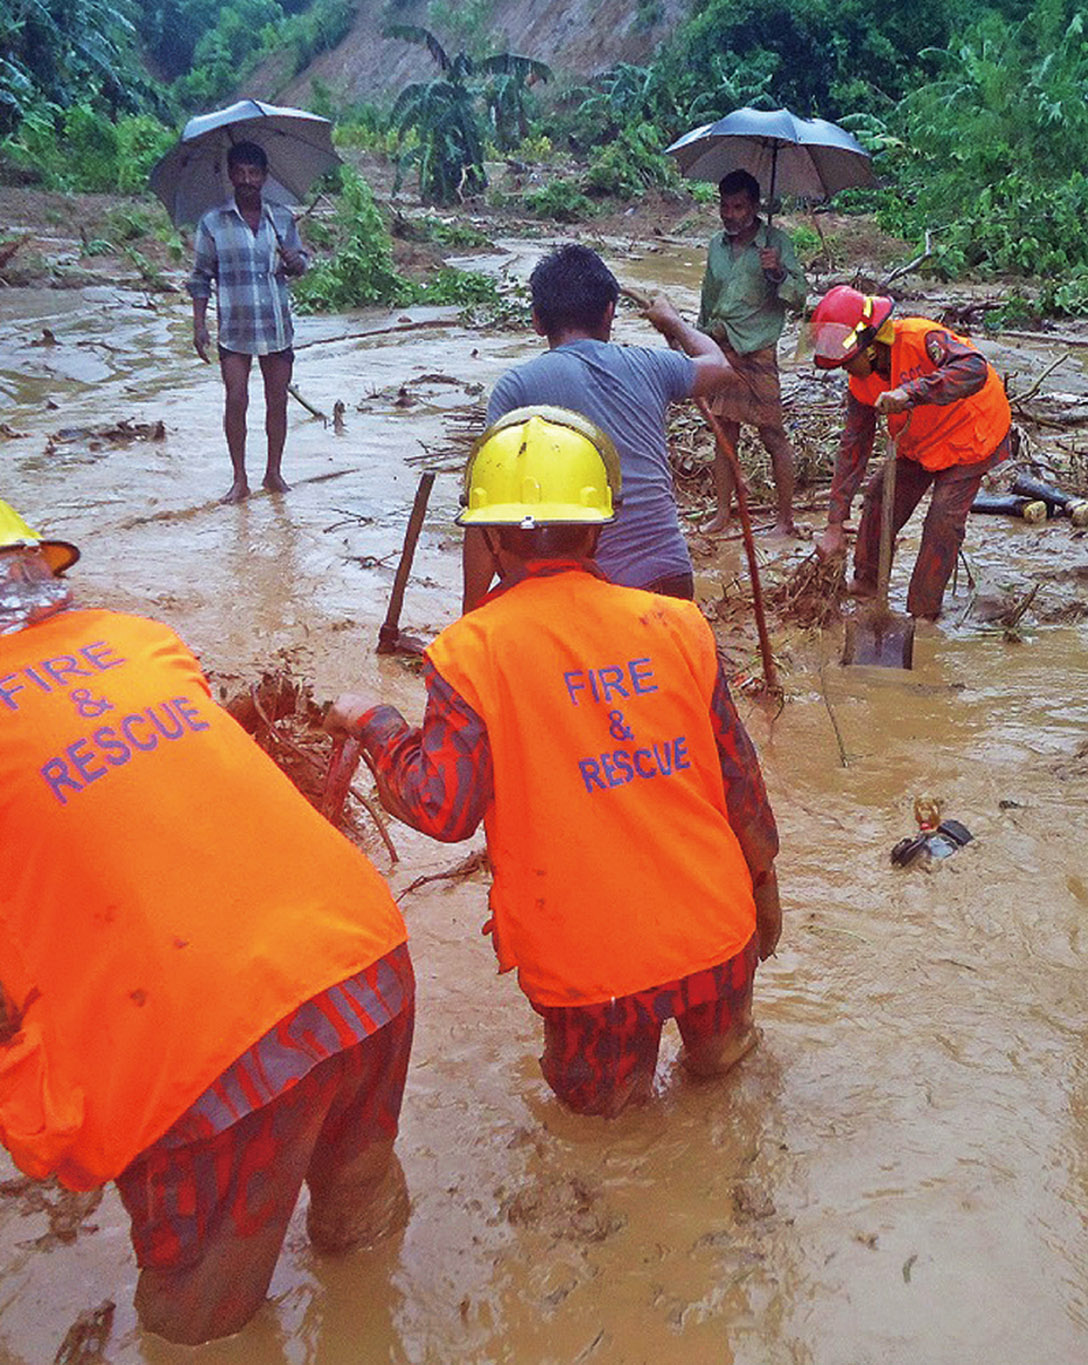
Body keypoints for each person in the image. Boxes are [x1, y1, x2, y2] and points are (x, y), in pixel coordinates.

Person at [0, 475, 414, 1345]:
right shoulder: (139, 643)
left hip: (218, 1051)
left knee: (197, 1319)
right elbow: (141, 824)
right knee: (361, 1209)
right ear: (30, 573)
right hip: (368, 962)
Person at [330, 407, 782, 1118]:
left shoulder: (470, 653)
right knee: (725, 1074)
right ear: (600, 525)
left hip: (590, 969)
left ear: (488, 536)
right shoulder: (675, 624)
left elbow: (440, 808)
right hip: (716, 932)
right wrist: (763, 889)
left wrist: (375, 722)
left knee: (605, 1120)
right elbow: (739, 779)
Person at [470, 243, 734, 611]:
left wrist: (471, 616)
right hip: (670, 578)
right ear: (610, 312)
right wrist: (673, 320)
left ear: (537, 321)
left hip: (589, 590)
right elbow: (720, 366)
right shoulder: (652, 364)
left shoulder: (518, 387)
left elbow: (487, 517)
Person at [808, 286, 1014, 620]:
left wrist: (912, 392)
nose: (847, 371)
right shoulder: (860, 381)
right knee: (877, 498)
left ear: (870, 346)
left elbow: (974, 368)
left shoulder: (921, 338)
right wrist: (835, 522)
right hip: (918, 439)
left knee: (942, 522)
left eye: (848, 362)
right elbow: (853, 446)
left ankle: (923, 612)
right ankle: (868, 584)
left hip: (971, 433)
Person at [187, 140, 312, 505]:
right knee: (236, 399)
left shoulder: (281, 217)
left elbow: (302, 264)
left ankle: (273, 473)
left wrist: (294, 260)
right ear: (230, 175)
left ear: (264, 176)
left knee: (277, 402)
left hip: (276, 325)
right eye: (240, 172)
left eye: (253, 173)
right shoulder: (213, 222)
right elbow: (200, 276)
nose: (247, 179)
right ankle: (239, 479)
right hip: (234, 328)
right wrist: (199, 325)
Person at [696, 168, 808, 538]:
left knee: (773, 434)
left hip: (758, 349)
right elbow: (708, 298)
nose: (729, 214)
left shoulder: (777, 243)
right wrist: (696, 341)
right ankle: (723, 512)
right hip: (722, 344)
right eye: (724, 206)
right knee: (723, 432)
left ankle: (784, 520)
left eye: (738, 206)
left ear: (755, 207)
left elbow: (799, 298)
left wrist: (776, 273)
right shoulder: (716, 245)